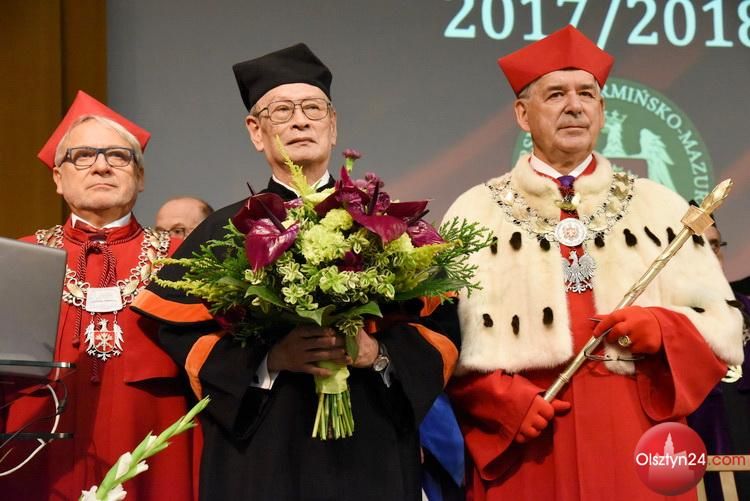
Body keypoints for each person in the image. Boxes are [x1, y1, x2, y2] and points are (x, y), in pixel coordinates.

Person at [131, 43, 460, 500]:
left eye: (313, 108)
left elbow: (442, 329)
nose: (300, 121)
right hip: (262, 451)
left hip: (371, 446)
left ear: (333, 124)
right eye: (282, 111)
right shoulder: (223, 232)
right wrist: (269, 361)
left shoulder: (387, 226)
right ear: (256, 131)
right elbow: (180, 336)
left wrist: (378, 354)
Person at [442, 25, 744, 500]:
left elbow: (720, 332)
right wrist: (498, 402)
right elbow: (437, 344)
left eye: (586, 94)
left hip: (636, 434)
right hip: (529, 439)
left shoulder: (660, 206)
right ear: (522, 114)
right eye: (555, 94)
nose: (574, 106)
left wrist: (662, 328)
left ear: (602, 110)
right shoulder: (473, 212)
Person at [0, 91, 197, 500]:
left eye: (119, 156)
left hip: (155, 460)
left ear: (140, 177)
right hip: (39, 460)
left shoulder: (185, 259)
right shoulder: (17, 260)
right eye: (83, 156)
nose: (102, 165)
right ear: (58, 178)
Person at [688, 218, 750, 500]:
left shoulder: (747, 308)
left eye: (714, 244)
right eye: (699, 245)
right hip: (704, 458)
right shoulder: (667, 319)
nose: (710, 254)